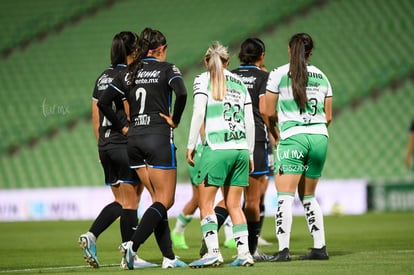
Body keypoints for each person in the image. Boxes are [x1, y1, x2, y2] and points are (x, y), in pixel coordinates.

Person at [98, 27, 187, 270]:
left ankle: (168, 257)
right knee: (165, 201)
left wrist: (123, 127)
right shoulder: (167, 68)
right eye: (165, 49)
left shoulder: (127, 73)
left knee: (157, 201)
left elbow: (104, 102)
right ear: (158, 50)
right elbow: (181, 92)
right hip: (158, 138)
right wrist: (175, 119)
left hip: (134, 141)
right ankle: (132, 246)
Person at [78, 31, 145, 268]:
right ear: (133, 51)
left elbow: (95, 115)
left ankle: (92, 235)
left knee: (121, 201)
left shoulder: (101, 78)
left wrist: (100, 146)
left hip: (106, 145)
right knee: (132, 202)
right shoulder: (127, 75)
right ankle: (130, 257)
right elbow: (128, 112)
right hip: (123, 143)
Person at [186, 42, 255, 267]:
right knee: (234, 205)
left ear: (207, 62)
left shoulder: (202, 80)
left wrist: (191, 145)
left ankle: (213, 252)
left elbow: (198, 113)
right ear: (228, 62)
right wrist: (251, 152)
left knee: (206, 204)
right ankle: (245, 254)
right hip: (241, 149)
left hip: (216, 148)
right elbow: (250, 121)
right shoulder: (240, 83)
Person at [265, 33, 332, 261]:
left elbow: (268, 111)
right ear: (311, 52)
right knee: (309, 196)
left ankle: (283, 250)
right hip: (320, 137)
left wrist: (275, 135)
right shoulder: (322, 76)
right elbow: (329, 116)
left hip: (293, 136)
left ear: (288, 49)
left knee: (284, 195)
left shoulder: (278, 73)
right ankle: (320, 247)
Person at [231, 37, 272, 261]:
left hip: (229, 139)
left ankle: (210, 242)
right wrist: (274, 132)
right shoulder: (264, 77)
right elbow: (265, 111)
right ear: (261, 56)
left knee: (228, 199)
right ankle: (251, 250)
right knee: (253, 200)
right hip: (254, 140)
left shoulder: (230, 75)